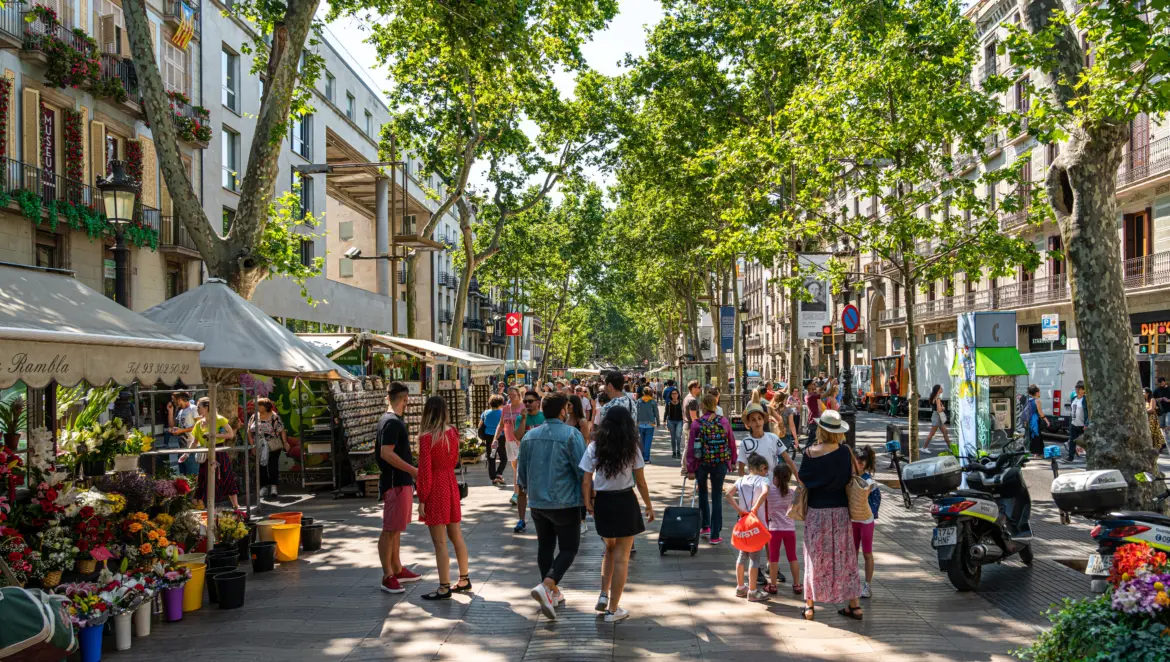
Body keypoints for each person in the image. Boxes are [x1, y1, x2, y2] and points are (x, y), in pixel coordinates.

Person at [580, 406, 654, 622]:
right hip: (625, 500)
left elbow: (586, 479)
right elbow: (640, 482)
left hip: (602, 501)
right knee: (622, 555)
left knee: (609, 549)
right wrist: (648, 505)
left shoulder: (595, 447)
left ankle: (604, 594)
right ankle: (613, 609)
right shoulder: (632, 448)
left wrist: (587, 503)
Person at [517, 393, 586, 621]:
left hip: (537, 502)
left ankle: (551, 592)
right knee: (569, 548)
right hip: (564, 501)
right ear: (562, 411)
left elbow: (522, 474)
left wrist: (529, 490)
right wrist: (588, 496)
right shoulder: (571, 435)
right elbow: (581, 469)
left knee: (545, 546)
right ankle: (547, 585)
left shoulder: (529, 437)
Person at [797, 409, 863, 621]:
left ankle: (809, 606)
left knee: (814, 557)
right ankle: (854, 605)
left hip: (816, 512)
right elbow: (853, 476)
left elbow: (802, 480)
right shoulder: (845, 452)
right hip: (841, 512)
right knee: (845, 557)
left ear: (820, 429)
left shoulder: (809, 453)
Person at [737, 402, 799, 590]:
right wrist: (744, 493)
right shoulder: (746, 443)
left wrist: (798, 478)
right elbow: (741, 469)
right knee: (758, 529)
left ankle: (771, 565)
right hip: (756, 493)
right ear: (748, 424)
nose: (757, 422)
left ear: (764, 419)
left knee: (770, 531)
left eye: (759, 418)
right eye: (752, 420)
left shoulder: (773, 438)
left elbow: (787, 459)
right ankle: (757, 569)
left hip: (773, 491)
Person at [415, 396, 471, 600]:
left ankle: (444, 586)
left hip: (436, 487)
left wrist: (422, 498)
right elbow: (455, 460)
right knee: (456, 535)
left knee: (439, 542)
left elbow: (425, 471)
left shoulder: (427, 437)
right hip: (450, 482)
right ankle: (464, 578)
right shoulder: (453, 432)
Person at [376, 382, 421, 593]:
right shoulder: (392, 422)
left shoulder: (391, 420)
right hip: (395, 482)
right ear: (405, 399)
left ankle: (397, 567)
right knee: (390, 529)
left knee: (396, 529)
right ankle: (388, 574)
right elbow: (386, 452)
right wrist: (412, 470)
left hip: (400, 482)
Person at [684, 392, 738, 545]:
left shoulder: (697, 424)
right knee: (716, 497)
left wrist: (690, 468)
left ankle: (705, 526)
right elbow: (731, 442)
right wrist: (732, 460)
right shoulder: (724, 422)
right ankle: (715, 534)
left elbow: (691, 448)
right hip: (720, 462)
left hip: (702, 463)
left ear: (702, 406)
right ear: (715, 405)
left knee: (702, 493)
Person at [726, 453, 771, 602]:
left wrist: (739, 510)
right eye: (766, 469)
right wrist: (755, 508)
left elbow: (728, 494)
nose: (767, 473)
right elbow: (765, 492)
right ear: (762, 467)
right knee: (755, 558)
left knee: (742, 554)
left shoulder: (741, 480)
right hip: (757, 523)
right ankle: (752, 591)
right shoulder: (763, 480)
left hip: (743, 522)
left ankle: (740, 587)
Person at [188, 397, 239, 511]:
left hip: (219, 452)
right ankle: (204, 507)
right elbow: (194, 441)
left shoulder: (219, 419)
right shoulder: (198, 423)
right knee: (203, 479)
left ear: (206, 407)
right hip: (205, 453)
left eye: (199, 407)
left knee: (226, 476)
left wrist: (214, 435)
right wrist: (186, 454)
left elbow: (230, 434)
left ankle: (236, 505)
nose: (197, 409)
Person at [512, 390, 547, 533]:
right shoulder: (521, 418)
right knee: (521, 489)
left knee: (541, 488)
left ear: (538, 402)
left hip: (541, 458)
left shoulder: (544, 417)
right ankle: (521, 519)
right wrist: (524, 419)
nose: (527, 404)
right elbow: (518, 437)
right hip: (525, 457)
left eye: (530, 401)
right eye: (525, 401)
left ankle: (544, 518)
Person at [769, 463, 802, 596]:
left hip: (774, 529)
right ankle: (797, 584)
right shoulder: (792, 493)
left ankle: (773, 585)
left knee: (773, 558)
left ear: (775, 477)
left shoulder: (769, 491)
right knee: (792, 557)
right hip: (789, 529)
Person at [852, 446, 880, 600]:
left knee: (867, 553)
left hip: (866, 521)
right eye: (855, 461)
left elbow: (876, 500)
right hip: (852, 521)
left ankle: (867, 585)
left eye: (862, 461)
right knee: (853, 553)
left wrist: (871, 513)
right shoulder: (849, 477)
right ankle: (853, 582)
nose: (859, 464)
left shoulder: (869, 481)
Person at [248, 398, 289, 498]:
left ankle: (274, 486)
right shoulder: (254, 417)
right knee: (261, 466)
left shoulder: (274, 416)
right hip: (259, 444)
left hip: (272, 444)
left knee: (272, 465)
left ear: (265, 407)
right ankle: (264, 487)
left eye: (259, 405)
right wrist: (252, 444)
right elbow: (249, 431)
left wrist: (285, 442)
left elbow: (281, 430)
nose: (256, 407)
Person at [495, 387, 524, 508]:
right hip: (509, 441)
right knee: (515, 467)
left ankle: (516, 494)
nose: (511, 397)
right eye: (510, 395)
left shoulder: (524, 408)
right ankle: (522, 490)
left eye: (514, 395)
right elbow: (501, 424)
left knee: (517, 467)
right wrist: (495, 439)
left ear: (519, 395)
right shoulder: (505, 408)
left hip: (521, 441)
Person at [166, 391, 198, 475]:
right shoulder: (181, 411)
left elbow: (199, 427)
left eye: (173, 399)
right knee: (184, 473)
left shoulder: (193, 408)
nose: (172, 401)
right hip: (182, 446)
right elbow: (172, 425)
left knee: (193, 473)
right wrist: (170, 411)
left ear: (179, 399)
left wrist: (181, 431)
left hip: (192, 447)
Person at [481, 395, 506, 486]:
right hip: (500, 436)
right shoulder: (502, 413)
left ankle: (493, 477)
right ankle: (499, 473)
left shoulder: (485, 412)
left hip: (488, 436)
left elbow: (481, 424)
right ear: (500, 403)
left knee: (491, 456)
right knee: (503, 457)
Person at [635, 387, 660, 463]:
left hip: (640, 424)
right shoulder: (653, 402)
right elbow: (656, 413)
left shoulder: (638, 401)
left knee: (641, 442)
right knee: (648, 442)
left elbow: (635, 412)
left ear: (643, 393)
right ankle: (646, 458)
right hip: (650, 424)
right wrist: (658, 423)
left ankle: (641, 457)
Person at [1022, 384, 1048, 457]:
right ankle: (1036, 452)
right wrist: (1046, 420)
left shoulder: (1027, 399)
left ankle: (1032, 450)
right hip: (1034, 420)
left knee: (1030, 435)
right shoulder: (1037, 401)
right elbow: (1040, 412)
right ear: (1036, 393)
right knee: (1036, 435)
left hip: (1027, 420)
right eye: (1039, 392)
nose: (1040, 393)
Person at [923, 385, 950, 450]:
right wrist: (942, 408)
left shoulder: (935, 398)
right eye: (941, 388)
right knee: (932, 434)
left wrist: (942, 407)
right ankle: (924, 448)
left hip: (937, 417)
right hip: (937, 417)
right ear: (938, 390)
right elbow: (939, 410)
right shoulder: (937, 399)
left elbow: (938, 408)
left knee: (945, 432)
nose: (942, 389)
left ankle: (950, 448)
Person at [1067, 381, 1087, 462]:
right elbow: (1072, 411)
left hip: (1082, 424)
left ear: (1083, 390)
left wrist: (1086, 423)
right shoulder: (1073, 399)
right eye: (1076, 388)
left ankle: (1087, 456)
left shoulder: (1085, 399)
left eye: (1079, 389)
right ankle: (1070, 457)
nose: (1077, 390)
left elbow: (1088, 411)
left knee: (1085, 441)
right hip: (1074, 423)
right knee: (1072, 440)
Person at [665, 389, 685, 459]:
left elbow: (684, 412)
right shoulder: (668, 403)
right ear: (671, 395)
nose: (674, 395)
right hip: (671, 421)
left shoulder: (681, 402)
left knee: (678, 436)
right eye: (673, 394)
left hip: (679, 421)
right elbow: (666, 413)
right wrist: (665, 422)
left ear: (678, 394)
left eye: (676, 393)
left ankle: (678, 451)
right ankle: (674, 451)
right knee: (673, 437)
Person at [1145, 388, 1167, 452]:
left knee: (1151, 432)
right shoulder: (1144, 400)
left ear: (1148, 393)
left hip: (1152, 418)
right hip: (1146, 418)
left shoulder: (1152, 399)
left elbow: (1152, 409)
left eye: (1144, 392)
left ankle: (1156, 446)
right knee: (1150, 432)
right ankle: (1157, 445)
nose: (1143, 393)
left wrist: (1143, 411)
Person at [805, 380, 822, 448]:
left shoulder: (810, 395)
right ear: (809, 386)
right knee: (811, 439)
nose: (814, 385)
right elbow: (824, 393)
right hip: (813, 419)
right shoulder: (811, 396)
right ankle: (806, 452)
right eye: (813, 384)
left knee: (814, 437)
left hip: (813, 419)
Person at [1154, 376, 1170, 444]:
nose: (1161, 384)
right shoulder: (1157, 390)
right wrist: (1160, 399)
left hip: (1169, 410)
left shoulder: (1169, 389)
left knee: (1168, 424)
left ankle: (1167, 440)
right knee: (1162, 426)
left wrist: (1168, 400)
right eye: (1160, 383)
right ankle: (1165, 442)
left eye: (1162, 383)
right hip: (1161, 411)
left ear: (1164, 381)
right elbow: (1153, 399)